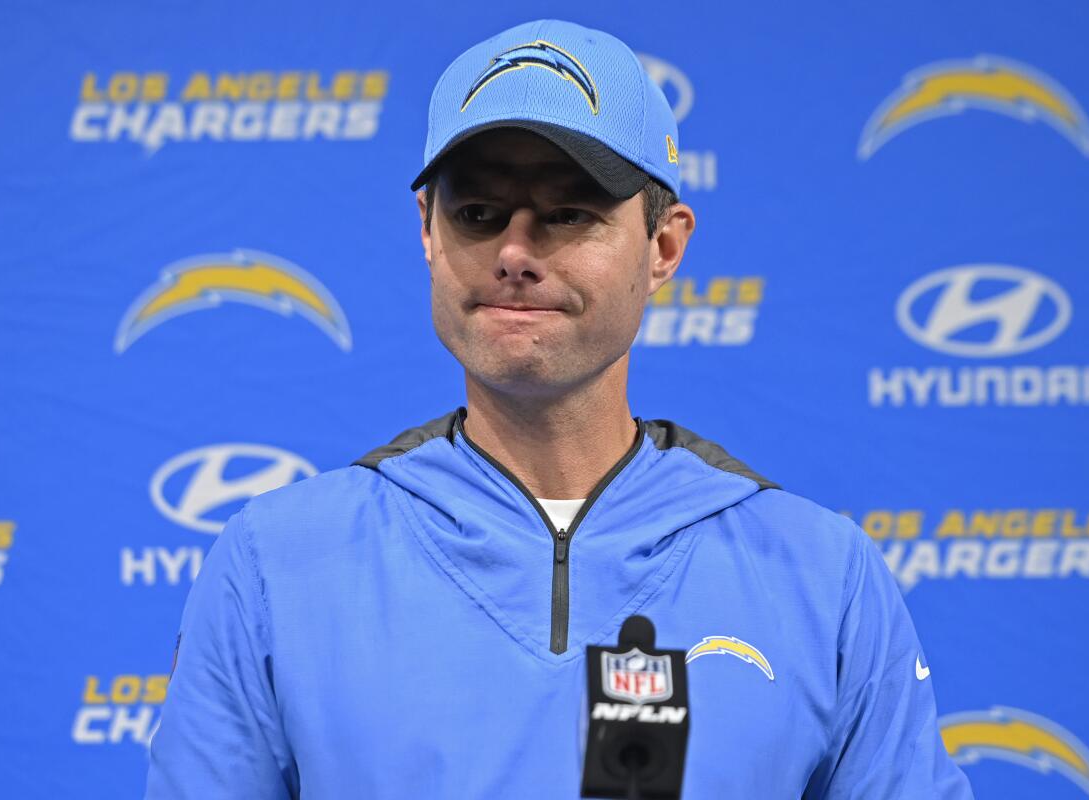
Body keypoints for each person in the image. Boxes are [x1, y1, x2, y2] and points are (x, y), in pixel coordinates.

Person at [146, 19, 974, 799]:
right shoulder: (276, 562)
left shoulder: (820, 575)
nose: (514, 253)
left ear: (664, 247)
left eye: (569, 213)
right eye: (478, 213)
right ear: (427, 234)